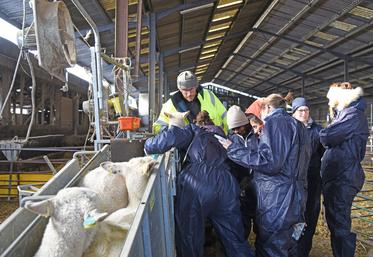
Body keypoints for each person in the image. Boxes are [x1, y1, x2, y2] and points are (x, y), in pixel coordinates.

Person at [144, 111, 254, 257]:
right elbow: (241, 167)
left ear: (197, 123)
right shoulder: (224, 137)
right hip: (226, 183)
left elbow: (171, 136)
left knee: (189, 235)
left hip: (197, 181)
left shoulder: (193, 130)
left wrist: (148, 146)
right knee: (234, 238)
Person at [221, 94, 311, 257]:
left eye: (260, 114)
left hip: (277, 200)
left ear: (268, 108)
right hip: (297, 197)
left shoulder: (274, 123)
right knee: (290, 245)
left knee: (271, 247)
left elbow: (270, 163)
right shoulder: (300, 127)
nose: (260, 119)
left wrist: (233, 150)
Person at [319, 82, 369, 257]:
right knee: (335, 223)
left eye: (331, 97)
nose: (329, 101)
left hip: (344, 176)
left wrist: (327, 130)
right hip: (338, 175)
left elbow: (327, 136)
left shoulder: (352, 115)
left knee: (340, 226)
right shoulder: (345, 114)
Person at [292, 97, 324, 257]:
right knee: (293, 216)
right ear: (294, 112)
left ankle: (303, 251)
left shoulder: (317, 131)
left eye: (306, 110)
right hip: (292, 181)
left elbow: (324, 154)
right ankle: (291, 249)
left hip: (311, 180)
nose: (304, 113)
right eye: (300, 110)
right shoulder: (289, 129)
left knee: (310, 214)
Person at [153, 71, 228, 133]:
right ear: (180, 89)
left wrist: (231, 133)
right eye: (185, 91)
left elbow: (225, 116)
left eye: (191, 89)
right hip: (187, 148)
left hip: (215, 143)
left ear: (196, 86)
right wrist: (172, 131)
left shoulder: (208, 95)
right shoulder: (171, 104)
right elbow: (157, 127)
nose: (189, 94)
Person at [226, 105, 257, 239]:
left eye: (238, 127)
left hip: (258, 184)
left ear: (245, 123)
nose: (236, 131)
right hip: (240, 184)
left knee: (260, 222)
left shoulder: (257, 134)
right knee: (242, 222)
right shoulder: (231, 138)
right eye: (233, 129)